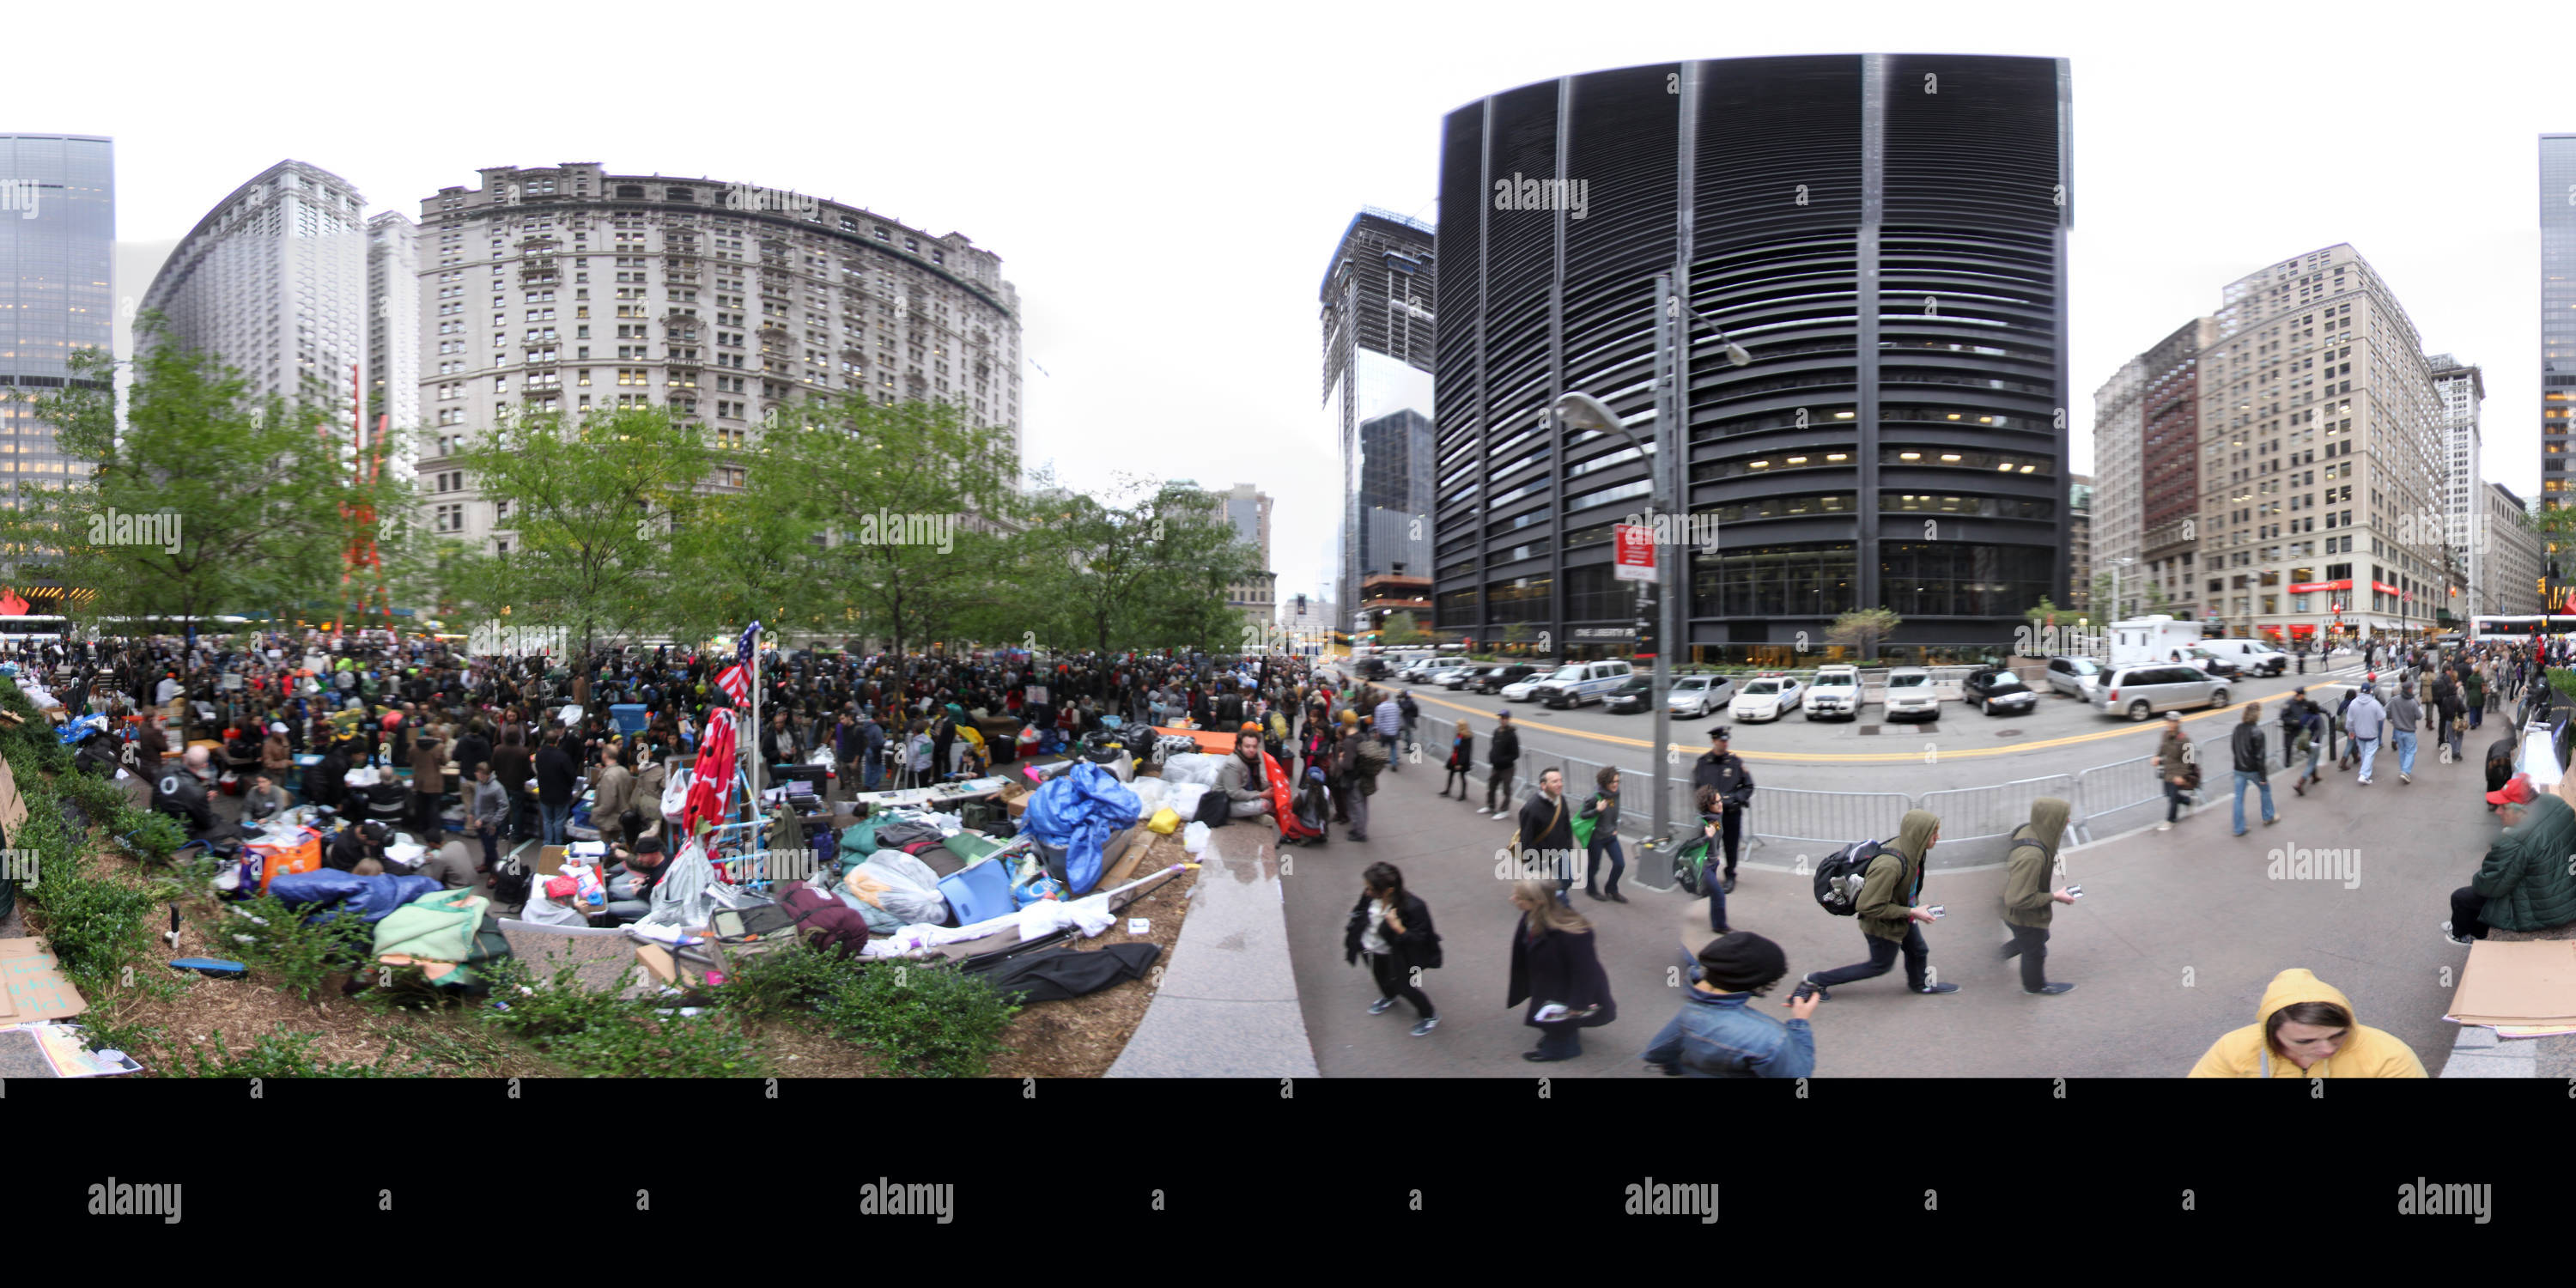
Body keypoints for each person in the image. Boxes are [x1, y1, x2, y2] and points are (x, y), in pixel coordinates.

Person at [1797, 809, 1955, 999]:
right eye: (1933, 833)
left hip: (1901, 916)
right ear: (1918, 835)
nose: (1938, 837)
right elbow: (1868, 906)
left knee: (1918, 950)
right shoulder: (1890, 865)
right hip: (1880, 924)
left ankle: (1920, 984)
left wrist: (1913, 909)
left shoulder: (1915, 850)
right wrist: (1912, 910)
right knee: (1879, 966)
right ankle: (1815, 981)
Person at [2185, 968, 2427, 1078]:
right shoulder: (2233, 1049)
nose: (2327, 1049)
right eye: (2305, 1041)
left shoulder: (2389, 1055)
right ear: (2271, 1034)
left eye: (2337, 1035)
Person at [1640, 932, 1820, 1078]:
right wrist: (1800, 1023)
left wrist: (1679, 1070)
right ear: (1761, 984)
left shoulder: (1688, 1011)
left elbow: (1656, 1053)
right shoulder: (1771, 1039)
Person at [2444, 775, 2576, 945]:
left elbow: (2488, 885)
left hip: (2548, 912)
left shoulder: (2516, 840)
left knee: (2461, 898)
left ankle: (2463, 935)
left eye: (2504, 807)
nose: (2498, 811)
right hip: (2568, 894)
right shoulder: (2555, 803)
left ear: (2521, 810)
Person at [1505, 878, 1616, 1062]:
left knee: (1562, 1024)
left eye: (1519, 897)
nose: (1513, 899)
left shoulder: (1572, 933)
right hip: (1550, 983)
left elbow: (1585, 972)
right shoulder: (1533, 914)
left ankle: (1561, 1050)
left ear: (1538, 901)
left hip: (1566, 989)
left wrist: (1578, 1004)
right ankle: (1557, 1039)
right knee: (1555, 1021)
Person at [1342, 861, 1440, 1037]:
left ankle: (1429, 1015)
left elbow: (1421, 939)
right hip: (1369, 947)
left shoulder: (1414, 907)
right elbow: (1360, 910)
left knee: (1404, 986)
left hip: (1397, 955)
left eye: (1371, 889)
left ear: (1388, 890)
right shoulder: (1369, 896)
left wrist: (1398, 927)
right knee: (1379, 976)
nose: (1367, 892)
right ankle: (1389, 996)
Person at [1998, 797, 2077, 995]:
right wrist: (2054, 897)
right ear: (2051, 819)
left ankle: (1994, 957)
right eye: (2063, 817)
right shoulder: (2033, 855)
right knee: (2035, 949)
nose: (2068, 821)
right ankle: (2035, 986)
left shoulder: (2031, 830)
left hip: (2010, 906)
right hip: (2021, 914)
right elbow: (2018, 899)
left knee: (2039, 937)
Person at [1691, 726, 1755, 893]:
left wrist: (1735, 799)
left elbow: (1748, 786)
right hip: (1711, 815)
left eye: (1726, 741)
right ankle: (1707, 879)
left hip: (1731, 813)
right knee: (1709, 847)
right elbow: (1696, 788)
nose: (1725, 744)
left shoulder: (1735, 763)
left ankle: (1730, 875)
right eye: (1721, 741)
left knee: (1731, 846)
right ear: (1714, 741)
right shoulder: (1703, 763)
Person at [1516, 767, 1577, 905]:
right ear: (1543, 785)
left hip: (1560, 851)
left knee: (1567, 880)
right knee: (1537, 887)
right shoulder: (1531, 808)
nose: (1560, 784)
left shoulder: (1562, 800)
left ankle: (1554, 899)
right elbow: (1526, 839)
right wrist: (1533, 861)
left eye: (1560, 780)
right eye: (1554, 781)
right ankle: (1542, 904)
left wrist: (1568, 847)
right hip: (1539, 856)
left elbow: (1566, 825)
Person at [2229, 702, 2276, 836]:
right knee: (2265, 790)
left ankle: (2239, 828)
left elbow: (2234, 748)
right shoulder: (2258, 732)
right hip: (2253, 770)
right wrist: (2262, 777)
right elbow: (2260, 757)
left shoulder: (2237, 728)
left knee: (2238, 798)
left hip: (2238, 768)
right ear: (2257, 715)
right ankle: (2268, 817)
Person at [1579, 766, 1626, 903]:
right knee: (1594, 866)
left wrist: (1614, 827)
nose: (1615, 784)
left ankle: (1611, 888)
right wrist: (1597, 811)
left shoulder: (1616, 793)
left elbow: (1614, 811)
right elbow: (1583, 815)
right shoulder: (1594, 797)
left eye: (1617, 781)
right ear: (1604, 782)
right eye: (1612, 782)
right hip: (1596, 839)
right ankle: (1591, 890)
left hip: (1611, 836)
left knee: (1620, 864)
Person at [604, 834, 671, 921]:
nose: (639, 859)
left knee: (610, 908)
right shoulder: (666, 857)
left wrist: (639, 892)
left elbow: (657, 899)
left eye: (643, 856)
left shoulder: (660, 873)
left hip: (655, 905)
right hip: (648, 891)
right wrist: (645, 880)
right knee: (612, 890)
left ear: (655, 854)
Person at [1214, 729, 1276, 823]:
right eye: (1247, 746)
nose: (1252, 750)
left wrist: (1270, 785)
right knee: (1264, 804)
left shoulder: (1253, 760)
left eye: (1254, 747)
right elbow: (1234, 793)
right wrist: (1261, 794)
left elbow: (1257, 780)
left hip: (1243, 796)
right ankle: (1253, 815)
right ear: (1239, 746)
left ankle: (1252, 814)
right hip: (1226, 802)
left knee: (1272, 798)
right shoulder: (1233, 764)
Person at [1340, 718, 1387, 841]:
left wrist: (1341, 760)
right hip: (1365, 776)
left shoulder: (1349, 742)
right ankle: (1360, 829)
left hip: (1354, 778)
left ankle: (1359, 833)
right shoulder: (1362, 736)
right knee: (1363, 805)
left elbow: (1347, 765)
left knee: (1356, 805)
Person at [533, 731, 578, 845]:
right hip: (561, 794)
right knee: (559, 820)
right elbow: (571, 776)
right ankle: (558, 843)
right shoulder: (562, 756)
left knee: (547, 820)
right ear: (557, 741)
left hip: (545, 793)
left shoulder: (539, 755)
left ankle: (547, 843)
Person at [2342, 681, 2387, 785]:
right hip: (2372, 732)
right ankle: (2364, 775)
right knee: (2370, 754)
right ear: (2370, 691)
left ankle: (2366, 772)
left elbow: (2349, 720)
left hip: (2359, 733)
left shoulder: (2353, 703)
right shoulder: (2374, 703)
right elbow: (2382, 716)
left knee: (2363, 753)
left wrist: (2351, 731)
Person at [592, 744, 635, 849]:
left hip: (609, 821)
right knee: (616, 847)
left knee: (607, 850)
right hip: (621, 818)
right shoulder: (624, 771)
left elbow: (608, 804)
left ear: (605, 755)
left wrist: (595, 812)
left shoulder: (608, 776)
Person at [2156, 713, 2193, 830]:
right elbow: (2162, 748)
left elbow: (2189, 760)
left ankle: (2171, 820)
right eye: (2168, 721)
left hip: (2177, 772)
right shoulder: (2165, 734)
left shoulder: (2185, 739)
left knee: (2172, 798)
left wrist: (2182, 776)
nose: (2169, 724)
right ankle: (2188, 801)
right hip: (2167, 770)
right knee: (2169, 794)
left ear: (2177, 723)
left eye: (2172, 721)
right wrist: (2157, 756)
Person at [409, 727, 448, 836]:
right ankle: (434, 829)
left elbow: (410, 760)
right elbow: (444, 762)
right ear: (433, 733)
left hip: (419, 780)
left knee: (420, 805)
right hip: (434, 781)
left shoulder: (414, 745)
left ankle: (420, 826)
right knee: (433, 806)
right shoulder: (439, 747)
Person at [1480, 709, 1519, 817]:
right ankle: (1490, 806)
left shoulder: (1512, 735)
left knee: (1506, 789)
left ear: (1508, 720)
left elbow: (1515, 754)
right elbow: (1494, 747)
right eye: (1501, 718)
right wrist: (1492, 757)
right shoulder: (1496, 732)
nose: (1502, 720)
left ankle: (1504, 810)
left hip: (1507, 768)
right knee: (1491, 786)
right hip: (1496, 767)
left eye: (1505, 718)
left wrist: (1502, 760)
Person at [2386, 682, 2421, 784]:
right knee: (2411, 751)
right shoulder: (2412, 701)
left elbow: (2387, 711)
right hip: (2409, 730)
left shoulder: (2395, 700)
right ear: (2410, 689)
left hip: (2398, 730)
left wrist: (2392, 719)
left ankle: (2403, 770)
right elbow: (2419, 716)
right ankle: (2405, 771)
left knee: (2402, 750)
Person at [1440, 718, 1474, 801]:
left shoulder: (1467, 738)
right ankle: (1447, 790)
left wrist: (1459, 763)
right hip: (1455, 758)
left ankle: (1463, 794)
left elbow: (1465, 752)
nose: (1456, 727)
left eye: (1458, 725)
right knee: (1451, 774)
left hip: (1462, 761)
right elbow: (1456, 747)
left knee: (1462, 777)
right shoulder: (1459, 735)